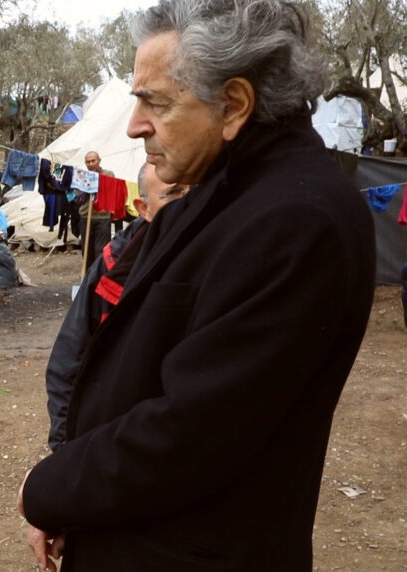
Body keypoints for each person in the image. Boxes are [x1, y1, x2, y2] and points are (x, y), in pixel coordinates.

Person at [20, 1, 376, 571]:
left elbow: (192, 435)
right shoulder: (222, 192)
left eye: (156, 102)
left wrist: (51, 487)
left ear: (233, 105)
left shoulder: (296, 218)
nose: (136, 124)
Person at [45, 163, 186, 451]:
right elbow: (68, 358)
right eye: (173, 195)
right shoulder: (115, 266)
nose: (188, 202)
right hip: (123, 432)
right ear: (143, 208)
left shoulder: (221, 249)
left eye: (193, 191)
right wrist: (64, 446)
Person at [76, 151, 113, 270]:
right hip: (86, 216)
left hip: (102, 217)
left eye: (93, 161)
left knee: (101, 250)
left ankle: (99, 279)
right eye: (88, 162)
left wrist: (97, 183)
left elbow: (111, 193)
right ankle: (87, 278)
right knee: (86, 251)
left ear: (99, 160)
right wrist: (86, 187)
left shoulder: (108, 174)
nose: (91, 164)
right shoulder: (81, 176)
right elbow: (77, 198)